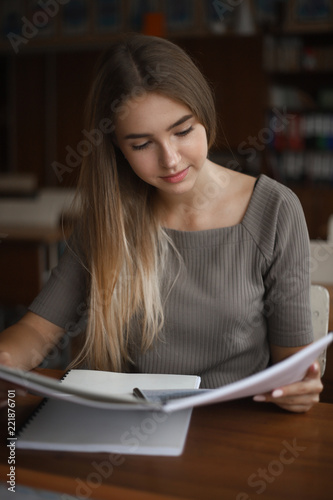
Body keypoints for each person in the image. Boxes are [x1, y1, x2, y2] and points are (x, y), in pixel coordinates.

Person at [0, 33, 323, 413]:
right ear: (118, 149)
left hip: (229, 427)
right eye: (141, 144)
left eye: (182, 131)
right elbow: (38, 330)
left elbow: (293, 370)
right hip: (120, 422)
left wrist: (299, 391)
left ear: (204, 115)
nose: (170, 160)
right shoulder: (108, 216)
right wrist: (6, 359)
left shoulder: (275, 211)